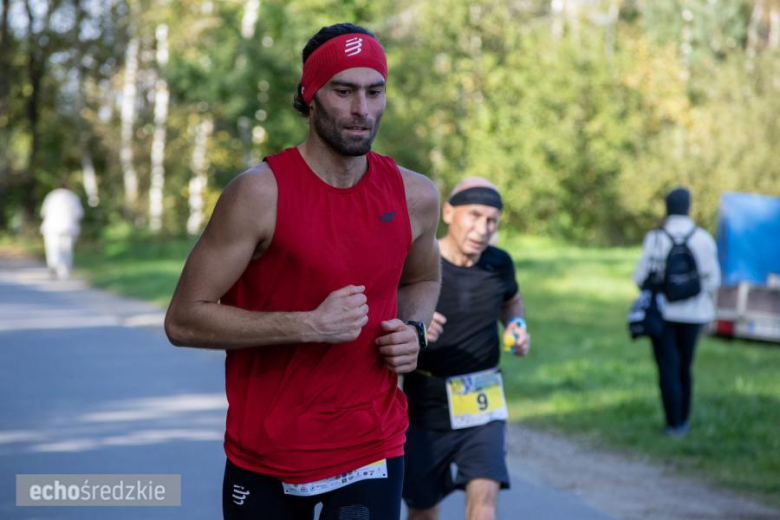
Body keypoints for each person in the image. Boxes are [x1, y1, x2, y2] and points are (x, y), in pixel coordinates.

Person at [164, 23, 441, 520]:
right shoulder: (258, 194)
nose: (362, 109)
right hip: (268, 453)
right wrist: (308, 324)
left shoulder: (414, 195)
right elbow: (184, 320)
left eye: (374, 91)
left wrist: (414, 329)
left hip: (372, 446)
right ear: (309, 95)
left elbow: (423, 279)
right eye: (343, 91)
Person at [402, 177, 530, 520]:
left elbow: (512, 300)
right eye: (474, 216)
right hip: (423, 402)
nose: (483, 229)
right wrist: (413, 320)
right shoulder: (417, 261)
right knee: (423, 509)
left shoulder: (499, 263)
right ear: (447, 213)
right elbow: (382, 310)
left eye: (492, 221)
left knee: (484, 502)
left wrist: (516, 325)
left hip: (482, 398)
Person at [633, 187, 720, 436]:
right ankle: (684, 421)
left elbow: (640, 278)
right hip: (694, 314)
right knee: (685, 367)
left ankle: (672, 424)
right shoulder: (703, 238)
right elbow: (713, 280)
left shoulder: (656, 237)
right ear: (688, 206)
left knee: (667, 368)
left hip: (663, 314)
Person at [40, 182, 84, 280]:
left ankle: (53, 264)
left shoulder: (51, 196)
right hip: (68, 226)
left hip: (51, 226)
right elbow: (79, 213)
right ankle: (64, 271)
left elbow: (43, 212)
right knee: (67, 249)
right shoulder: (73, 197)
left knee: (53, 247)